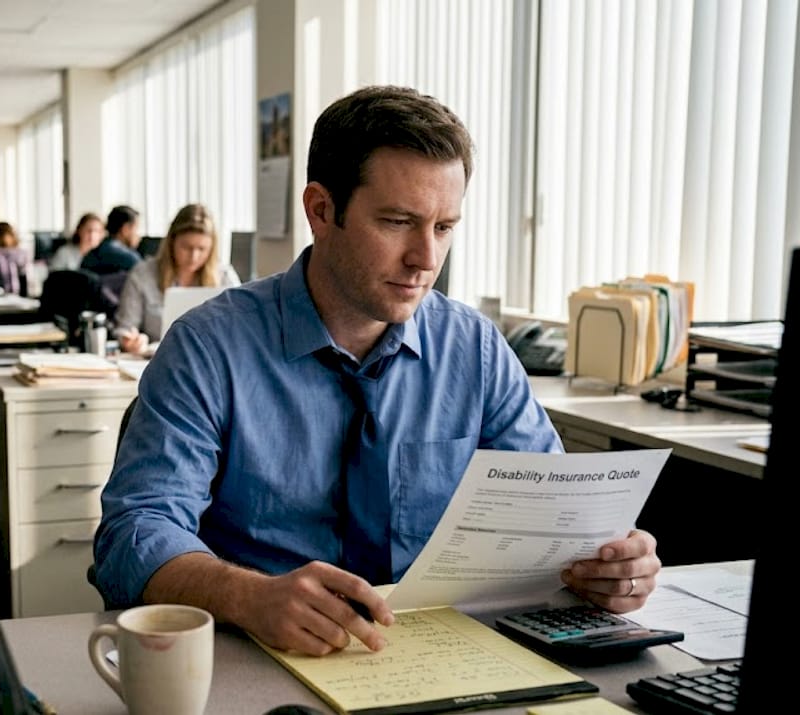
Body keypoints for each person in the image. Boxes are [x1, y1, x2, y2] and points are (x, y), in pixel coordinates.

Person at [92, 85, 662, 657]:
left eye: (444, 228)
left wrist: (602, 564)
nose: (427, 259)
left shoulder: (476, 350)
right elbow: (135, 532)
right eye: (397, 222)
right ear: (321, 210)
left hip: (442, 652)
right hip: (264, 656)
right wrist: (251, 597)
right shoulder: (209, 346)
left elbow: (553, 520)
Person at [113, 203, 240, 355]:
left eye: (202, 249)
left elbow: (239, 328)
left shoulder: (224, 276)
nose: (194, 256)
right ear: (171, 242)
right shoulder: (142, 274)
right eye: (186, 247)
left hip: (209, 361)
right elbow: (125, 328)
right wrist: (132, 341)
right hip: (156, 361)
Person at [81, 205, 142, 275]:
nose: (138, 235)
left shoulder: (91, 254)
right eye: (136, 228)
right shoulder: (130, 258)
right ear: (125, 229)